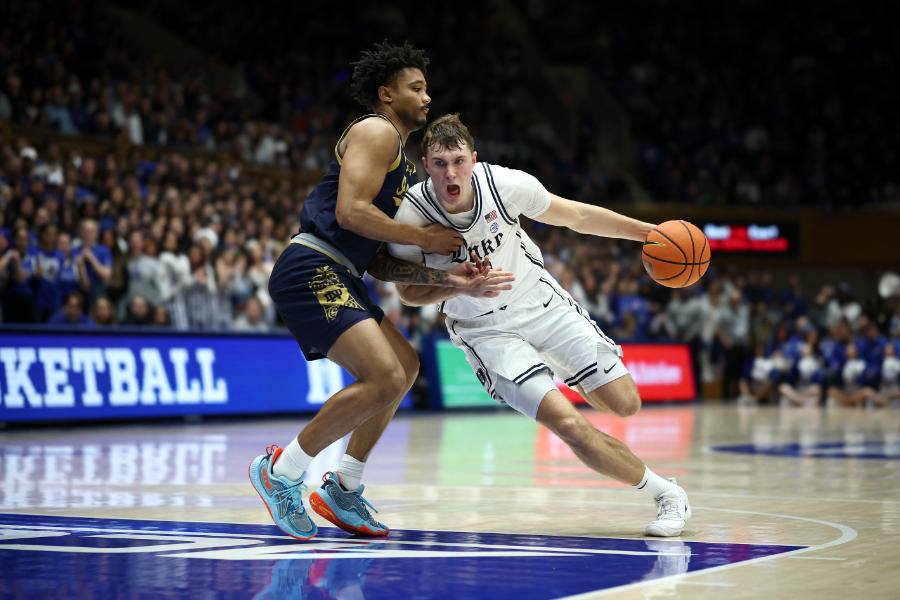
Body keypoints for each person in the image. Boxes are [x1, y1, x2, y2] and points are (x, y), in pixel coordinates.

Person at [249, 42, 513, 541]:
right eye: (417, 87)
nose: (427, 96)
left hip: (346, 270)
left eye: (427, 88)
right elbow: (349, 212)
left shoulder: (409, 170)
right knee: (383, 374)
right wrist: (425, 237)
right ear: (386, 94)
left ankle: (343, 486)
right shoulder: (376, 130)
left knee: (405, 368)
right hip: (312, 262)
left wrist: (452, 280)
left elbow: (384, 263)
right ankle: (281, 471)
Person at [387, 113, 690, 536]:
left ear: (474, 159)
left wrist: (647, 232)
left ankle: (563, 372)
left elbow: (577, 217)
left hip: (541, 303)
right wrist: (458, 286)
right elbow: (408, 294)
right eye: (439, 164)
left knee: (625, 404)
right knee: (570, 426)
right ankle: (667, 494)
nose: (450, 173)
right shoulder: (411, 216)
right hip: (486, 332)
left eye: (457, 161)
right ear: (425, 164)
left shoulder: (507, 185)